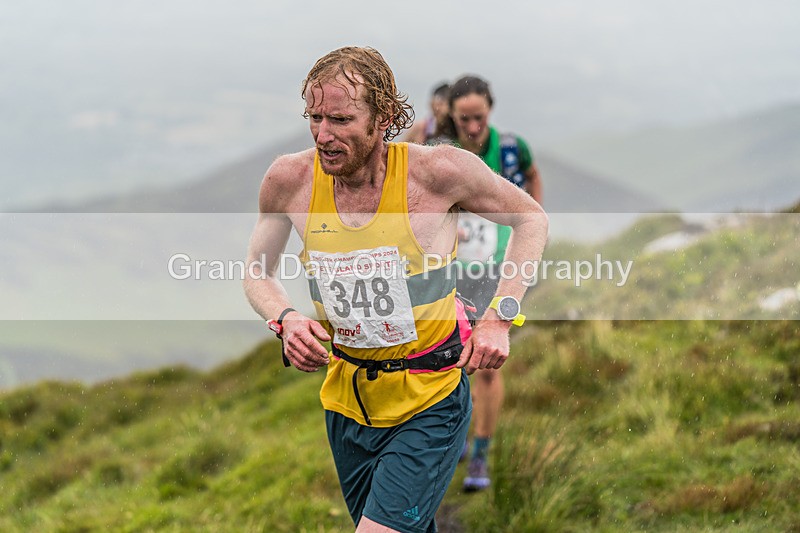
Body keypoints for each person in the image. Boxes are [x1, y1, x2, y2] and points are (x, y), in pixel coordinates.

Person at [243, 47, 547, 533]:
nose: (323, 135)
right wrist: (285, 318)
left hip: (431, 397)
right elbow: (257, 271)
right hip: (347, 405)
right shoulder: (289, 180)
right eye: (315, 118)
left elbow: (530, 218)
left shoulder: (438, 173)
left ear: (383, 117)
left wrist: (498, 318)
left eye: (341, 119)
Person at [447, 75, 543, 492]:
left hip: (497, 270)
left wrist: (532, 228)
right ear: (450, 114)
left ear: (490, 110)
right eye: (463, 119)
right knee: (451, 360)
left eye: (479, 118)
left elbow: (532, 175)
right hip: (449, 271)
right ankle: (460, 436)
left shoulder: (510, 149)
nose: (472, 127)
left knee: (485, 363)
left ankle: (480, 453)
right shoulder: (439, 153)